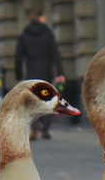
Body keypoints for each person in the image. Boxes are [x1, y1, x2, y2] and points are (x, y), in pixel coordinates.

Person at [15, 8, 67, 138]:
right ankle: (46, 128)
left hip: (31, 70)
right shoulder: (48, 33)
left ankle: (35, 126)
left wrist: (18, 74)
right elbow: (55, 53)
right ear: (41, 18)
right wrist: (60, 72)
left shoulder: (24, 34)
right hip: (46, 70)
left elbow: (18, 56)